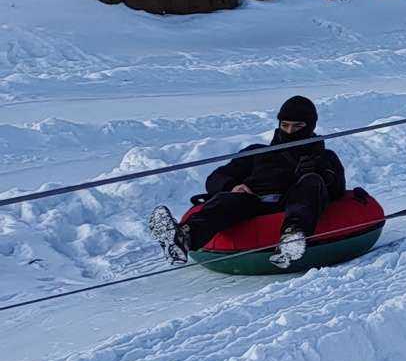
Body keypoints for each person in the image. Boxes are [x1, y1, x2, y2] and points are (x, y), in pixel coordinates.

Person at [147, 96, 346, 268]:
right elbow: (216, 178)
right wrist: (233, 186)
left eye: (297, 126)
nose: (290, 131)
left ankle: (292, 238)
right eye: (285, 125)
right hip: (253, 202)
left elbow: (337, 191)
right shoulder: (257, 152)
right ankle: (183, 238)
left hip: (291, 204)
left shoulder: (323, 156)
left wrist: (319, 174)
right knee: (228, 200)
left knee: (311, 182)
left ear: (309, 126)